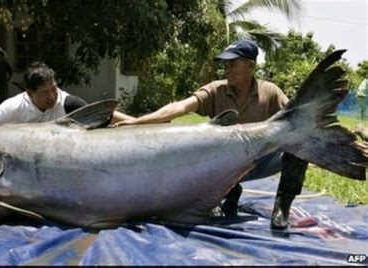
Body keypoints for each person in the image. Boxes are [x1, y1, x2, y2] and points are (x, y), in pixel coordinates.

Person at [116, 40, 308, 230]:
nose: (227, 70)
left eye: (233, 64)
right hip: (221, 166)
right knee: (192, 148)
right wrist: (137, 122)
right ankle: (225, 192)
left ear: (251, 65)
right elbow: (180, 106)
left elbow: (295, 118)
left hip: (259, 161)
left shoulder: (270, 92)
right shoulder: (216, 90)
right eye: (225, 65)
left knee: (300, 144)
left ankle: (282, 207)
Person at [0, 62, 134, 148]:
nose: (52, 96)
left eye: (54, 89)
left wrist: (140, 123)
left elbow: (105, 115)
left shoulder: (68, 103)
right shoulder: (12, 108)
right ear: (29, 93)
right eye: (45, 93)